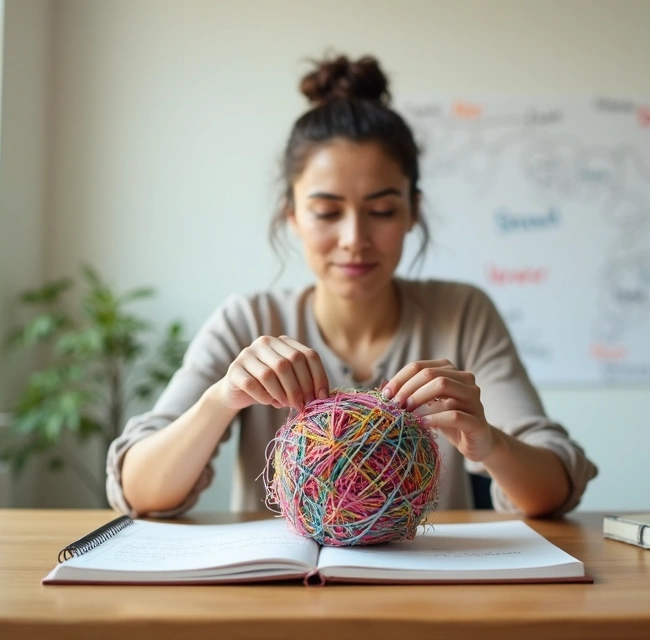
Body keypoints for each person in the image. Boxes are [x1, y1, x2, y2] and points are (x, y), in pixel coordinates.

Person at [107, 54, 597, 519]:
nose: (354, 240)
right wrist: (220, 400)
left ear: (412, 213)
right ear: (292, 216)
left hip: (427, 594)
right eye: (326, 212)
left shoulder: (462, 313)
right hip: (279, 596)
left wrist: (487, 441)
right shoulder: (248, 321)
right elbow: (138, 493)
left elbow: (552, 489)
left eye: (382, 211)